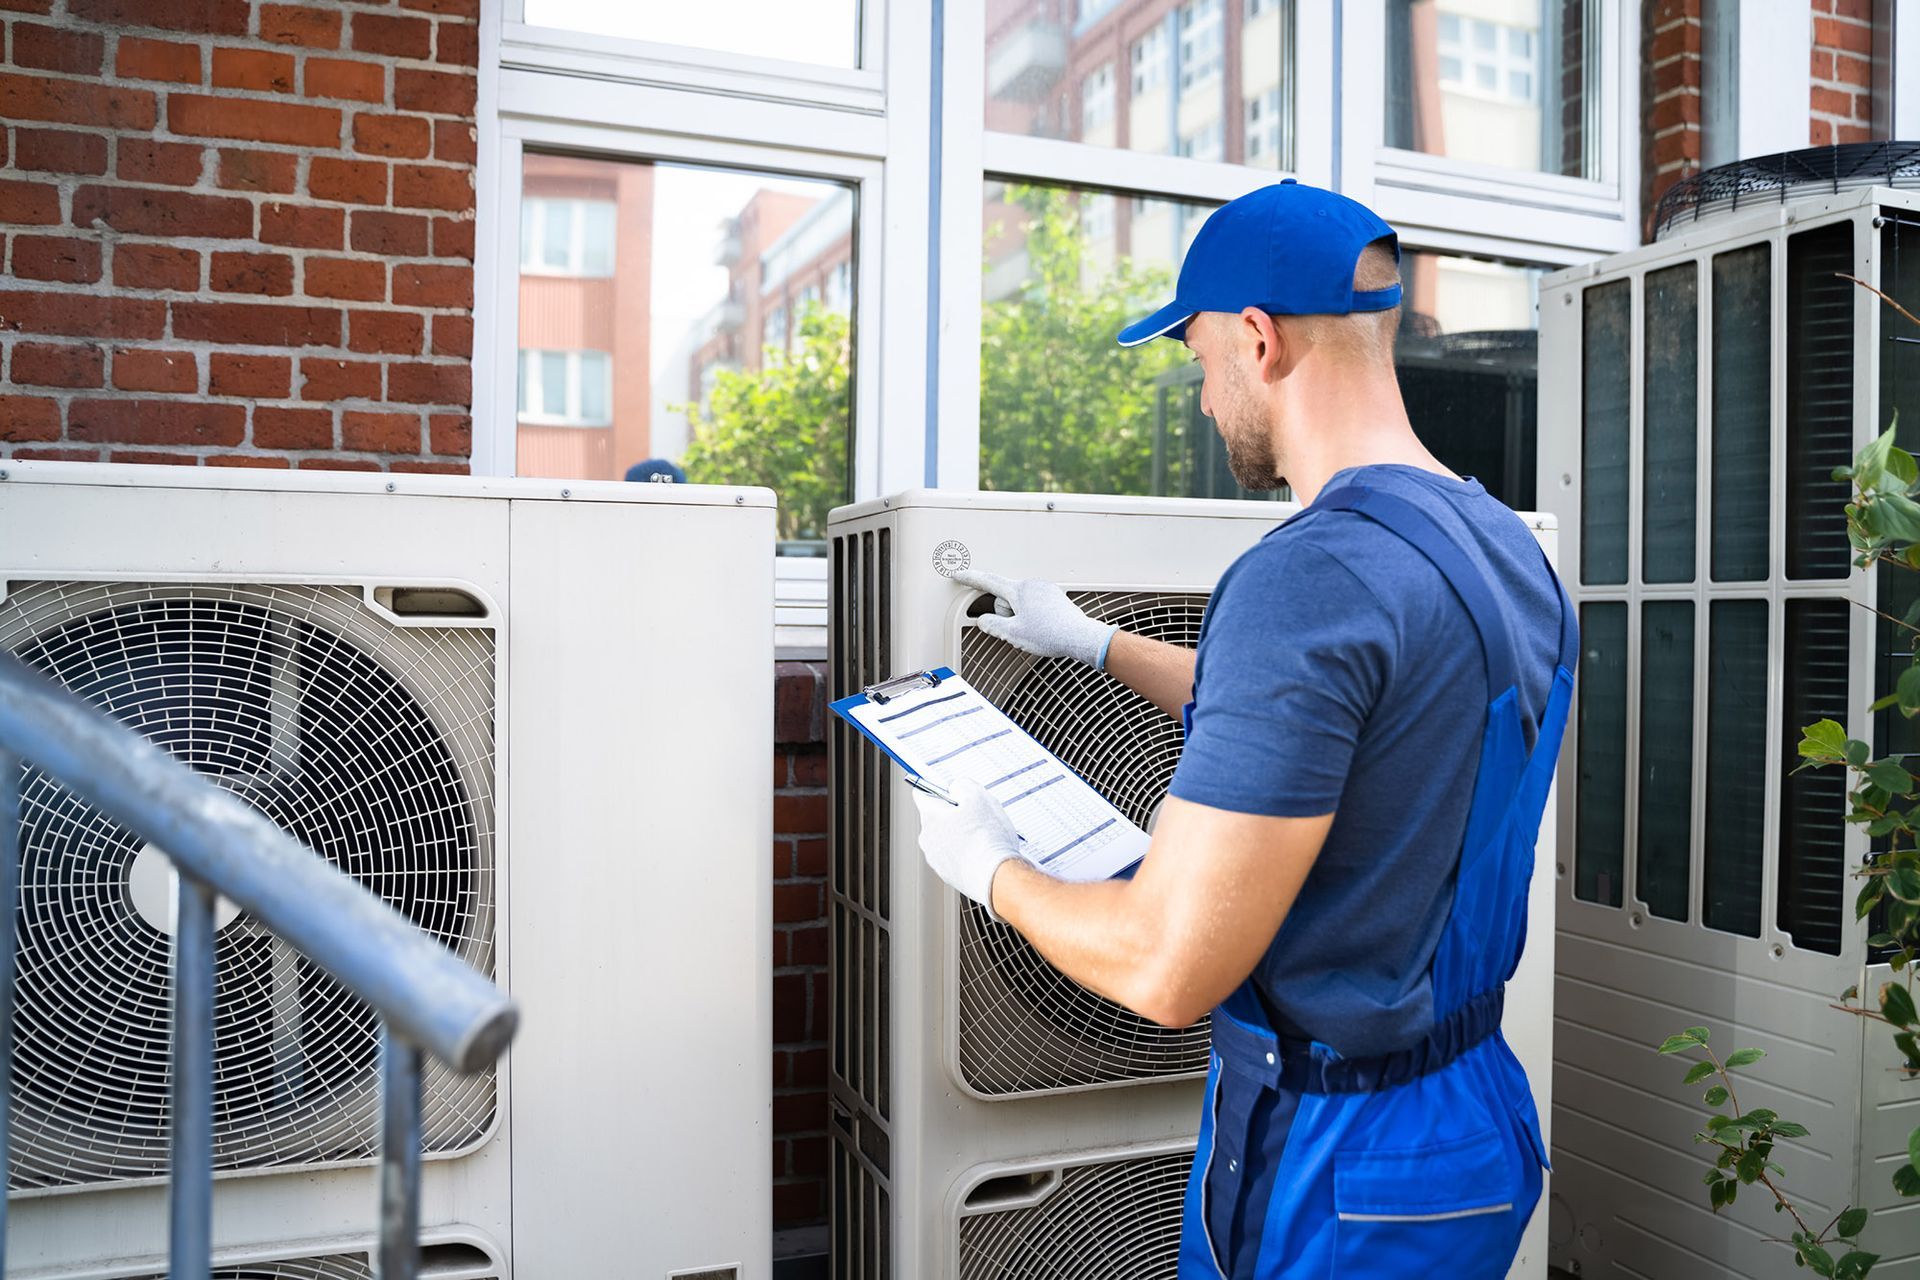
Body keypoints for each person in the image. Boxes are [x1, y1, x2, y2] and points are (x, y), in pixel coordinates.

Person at [913, 180, 1574, 1279]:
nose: (1206, 399)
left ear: (1259, 339)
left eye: (1202, 360)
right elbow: (1346, 713)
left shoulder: (1304, 575)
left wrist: (992, 870)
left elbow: (1166, 968)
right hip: (1469, 1118)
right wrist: (1094, 644)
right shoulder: (1500, 543)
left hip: (1336, 1165)